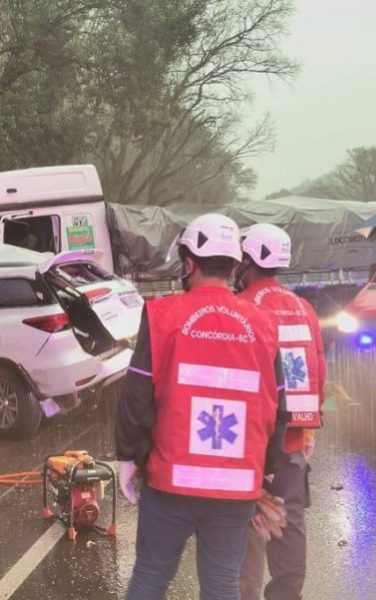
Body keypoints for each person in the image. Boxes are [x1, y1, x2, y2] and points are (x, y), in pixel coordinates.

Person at [116, 214, 289, 600]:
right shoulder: (264, 323)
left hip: (170, 481)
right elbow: (279, 404)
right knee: (222, 584)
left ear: (189, 263)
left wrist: (127, 456)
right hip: (235, 487)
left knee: (150, 576)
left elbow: (136, 393)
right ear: (233, 265)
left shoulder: (162, 315)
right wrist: (270, 469)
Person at [235, 224, 326, 600]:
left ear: (248, 259)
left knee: (247, 524)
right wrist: (307, 432)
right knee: (288, 521)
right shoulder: (303, 309)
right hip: (292, 438)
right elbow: (317, 371)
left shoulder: (242, 308)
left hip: (251, 439)